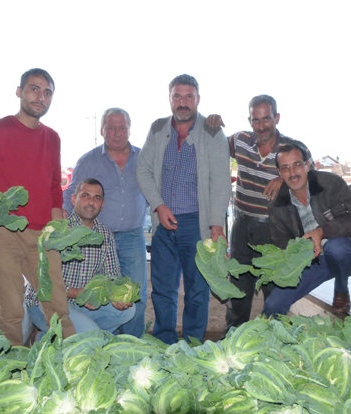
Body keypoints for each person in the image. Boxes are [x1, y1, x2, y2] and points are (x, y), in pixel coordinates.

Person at [0, 68, 75, 345]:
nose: (41, 97)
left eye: (47, 93)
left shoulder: (52, 138)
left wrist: (55, 229)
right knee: (11, 312)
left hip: (42, 237)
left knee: (58, 308)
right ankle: (11, 368)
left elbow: (53, 188)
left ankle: (71, 361)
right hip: (2, 234)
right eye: (34, 89)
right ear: (19, 91)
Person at [205, 95, 316, 332]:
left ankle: (274, 342)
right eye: (256, 120)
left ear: (277, 118)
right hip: (242, 227)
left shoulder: (293, 148)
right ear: (249, 120)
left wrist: (283, 178)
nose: (261, 125)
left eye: (266, 119)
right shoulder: (240, 141)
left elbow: (312, 174)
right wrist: (211, 125)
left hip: (276, 230)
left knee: (275, 292)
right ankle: (233, 341)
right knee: (238, 290)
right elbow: (214, 145)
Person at [136, 74, 230, 344]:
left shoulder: (212, 132)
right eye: (177, 96)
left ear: (198, 99)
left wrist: (216, 225)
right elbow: (143, 170)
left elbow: (221, 181)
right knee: (162, 290)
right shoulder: (157, 129)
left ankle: (193, 346)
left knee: (197, 291)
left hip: (197, 225)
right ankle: (164, 343)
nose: (183, 102)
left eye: (189, 96)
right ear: (170, 99)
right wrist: (159, 206)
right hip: (163, 224)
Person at [62, 108, 148, 337]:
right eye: (111, 128)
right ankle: (100, 339)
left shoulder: (143, 158)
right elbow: (71, 193)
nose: (117, 133)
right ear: (102, 130)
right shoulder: (88, 160)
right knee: (97, 295)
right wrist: (62, 223)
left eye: (122, 128)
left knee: (136, 296)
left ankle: (130, 345)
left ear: (129, 130)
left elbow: (154, 190)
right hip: (97, 239)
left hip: (132, 237)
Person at [262, 144, 351, 317]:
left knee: (336, 247)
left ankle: (341, 289)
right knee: (273, 304)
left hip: (347, 254)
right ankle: (271, 333)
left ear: (307, 165)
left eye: (297, 165)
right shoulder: (277, 205)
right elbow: (282, 243)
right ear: (279, 173)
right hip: (312, 261)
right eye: (285, 168)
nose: (293, 173)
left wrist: (322, 232)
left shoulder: (330, 183)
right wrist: (299, 254)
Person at [25, 178, 135, 335]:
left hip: (84, 304)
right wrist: (76, 293)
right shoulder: (56, 229)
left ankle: (53, 338)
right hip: (47, 303)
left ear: (102, 204)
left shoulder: (105, 234)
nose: (91, 202)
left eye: (97, 198)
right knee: (89, 332)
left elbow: (112, 274)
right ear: (73, 199)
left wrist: (116, 293)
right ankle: (76, 335)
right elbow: (41, 278)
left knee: (128, 311)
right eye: (85, 196)